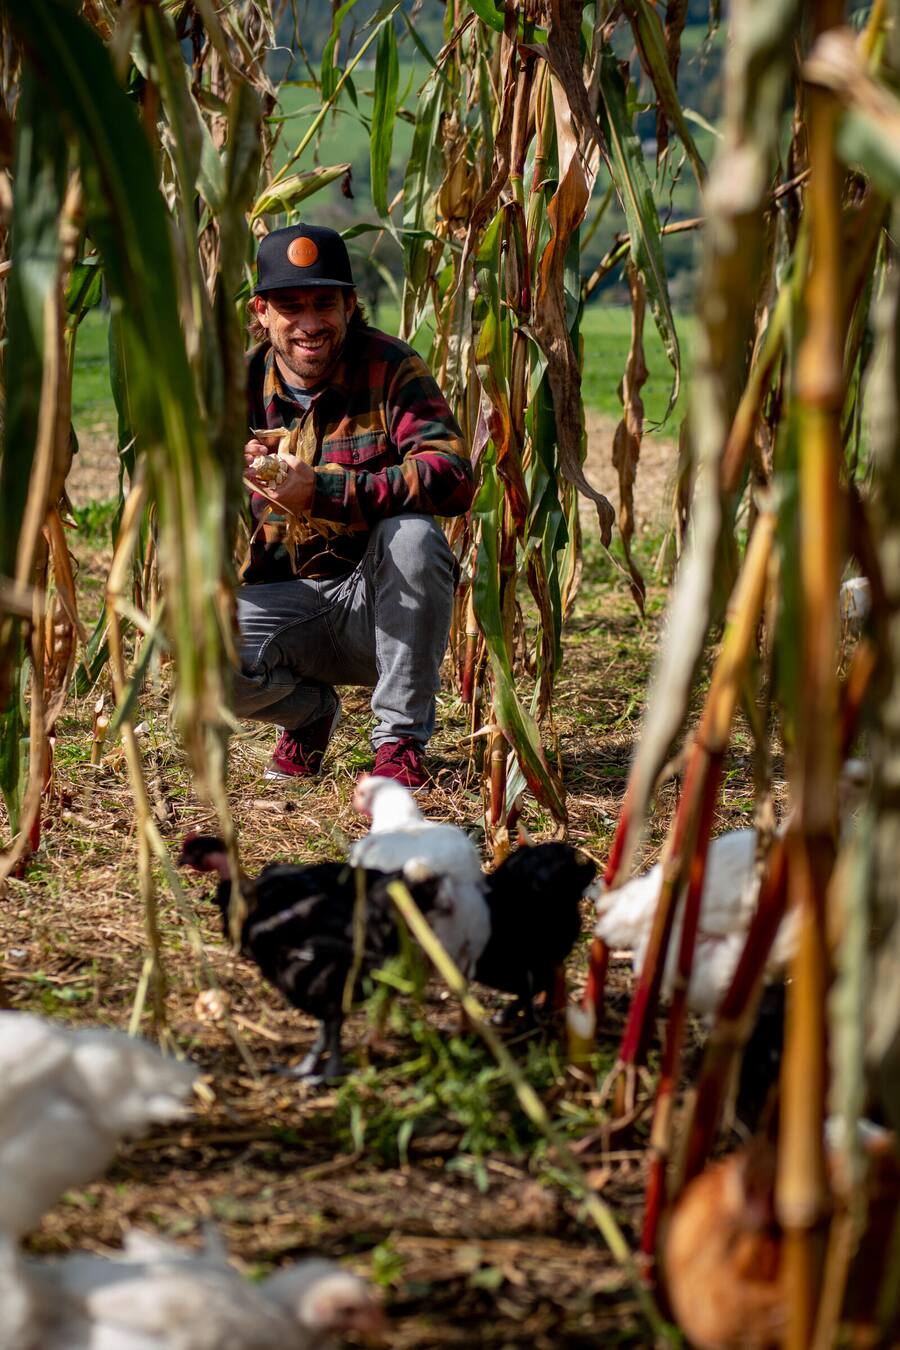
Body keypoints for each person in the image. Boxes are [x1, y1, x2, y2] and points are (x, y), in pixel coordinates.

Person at [235, 222, 474, 790]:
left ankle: (398, 742)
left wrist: (321, 491)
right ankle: (309, 716)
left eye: (325, 304)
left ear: (349, 305)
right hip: (290, 602)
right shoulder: (237, 385)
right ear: (261, 312)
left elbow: (454, 475)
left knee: (414, 538)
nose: (310, 324)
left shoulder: (390, 368)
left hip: (382, 605)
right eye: (291, 307)